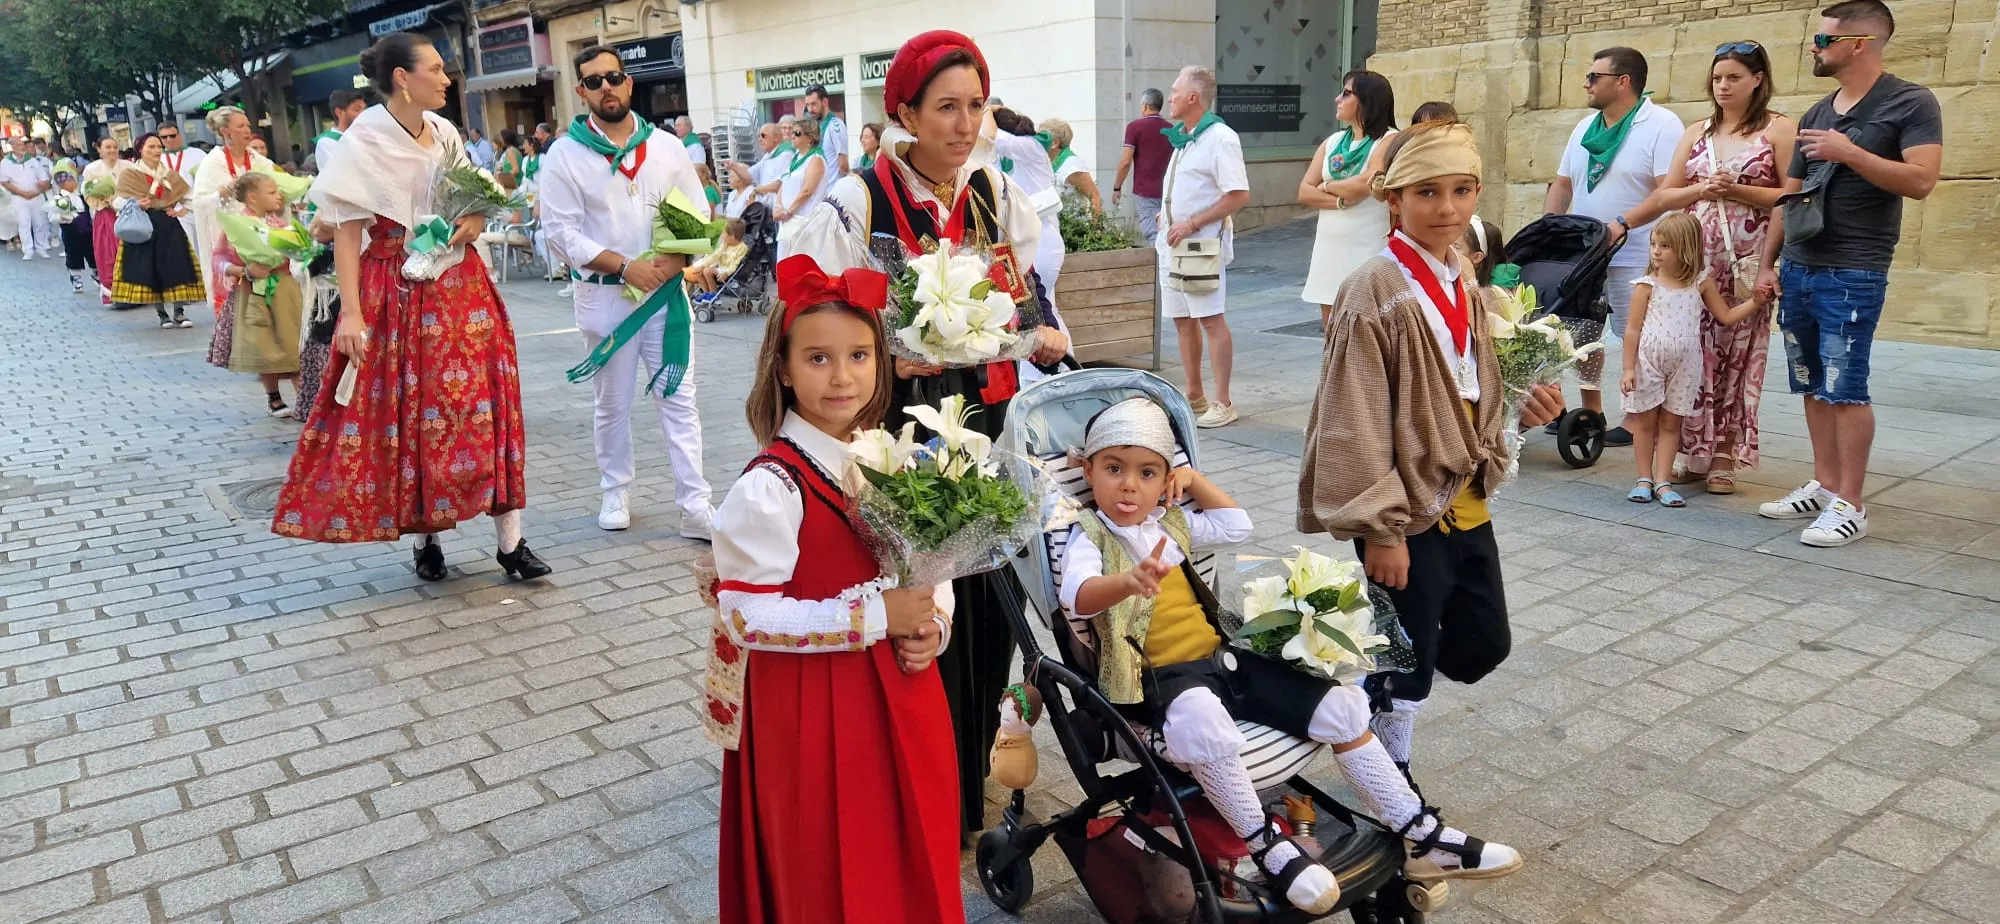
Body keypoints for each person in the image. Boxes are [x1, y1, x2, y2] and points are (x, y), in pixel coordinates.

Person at [1059, 397, 1523, 911]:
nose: (1129, 485)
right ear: (1088, 471)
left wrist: (1192, 481)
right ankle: (1267, 846)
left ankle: (1419, 832)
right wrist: (1126, 582)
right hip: (1159, 678)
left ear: (1165, 480)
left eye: (1147, 473)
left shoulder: (1171, 523)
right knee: (1200, 719)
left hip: (1222, 661)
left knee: (1338, 703)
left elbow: (1236, 524)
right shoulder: (1089, 535)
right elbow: (1077, 596)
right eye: (1114, 469)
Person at [781, 29, 1069, 838]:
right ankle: (909, 783)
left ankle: (967, 774)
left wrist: (1037, 334)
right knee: (913, 598)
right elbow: (817, 316)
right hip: (899, 423)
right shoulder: (858, 201)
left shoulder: (995, 193)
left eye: (975, 106)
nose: (965, 124)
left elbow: (1024, 295)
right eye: (946, 107)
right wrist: (885, 356)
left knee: (986, 599)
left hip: (985, 414)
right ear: (904, 113)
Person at [1299, 121, 1567, 787]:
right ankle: (1391, 773)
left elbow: (1472, 380)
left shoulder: (1462, 277)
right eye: (1426, 192)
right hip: (1403, 507)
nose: (1446, 208)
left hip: (1462, 492)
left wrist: (1520, 403)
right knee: (1410, 657)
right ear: (1393, 199)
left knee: (1484, 643)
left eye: (1461, 190)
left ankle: (1356, 698)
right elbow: (1354, 417)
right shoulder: (1373, 288)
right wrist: (1381, 530)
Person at [714, 253, 959, 924]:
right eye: (818, 359)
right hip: (813, 707)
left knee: (911, 845)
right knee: (826, 862)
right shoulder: (770, 487)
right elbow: (745, 617)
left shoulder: (890, 456)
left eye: (859, 355)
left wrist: (934, 621)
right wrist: (874, 617)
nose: (842, 376)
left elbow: (934, 561)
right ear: (783, 369)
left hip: (902, 688)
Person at [273, 31, 550, 584]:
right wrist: (352, 314)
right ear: (403, 77)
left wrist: (473, 220)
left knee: (487, 402)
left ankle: (511, 541)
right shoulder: (364, 139)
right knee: (415, 410)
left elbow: (474, 199)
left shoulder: (445, 131)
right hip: (397, 287)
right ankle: (427, 540)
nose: (446, 79)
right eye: (436, 69)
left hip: (461, 282)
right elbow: (346, 235)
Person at [1760, 0, 1941, 547]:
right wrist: (1767, 264)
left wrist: (1849, 152)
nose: (1813, 47)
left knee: (1846, 386)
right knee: (1811, 382)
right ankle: (1825, 484)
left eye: (1823, 40)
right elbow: (1790, 196)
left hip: (1855, 269)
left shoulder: (1910, 101)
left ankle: (1852, 504)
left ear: (1858, 43)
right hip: (1800, 266)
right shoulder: (1817, 112)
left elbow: (1922, 180)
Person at [539, 44, 717, 540]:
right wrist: (624, 266)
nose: (607, 88)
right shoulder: (565, 155)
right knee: (612, 402)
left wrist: (678, 259)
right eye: (594, 81)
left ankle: (695, 504)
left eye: (614, 77)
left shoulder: (664, 146)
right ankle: (615, 490)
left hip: (664, 294)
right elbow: (560, 233)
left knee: (678, 397)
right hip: (605, 297)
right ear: (581, 91)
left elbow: (696, 209)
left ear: (629, 82)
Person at [1616, 42, 1795, 496]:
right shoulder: (1698, 130)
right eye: (1717, 78)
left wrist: (1737, 191)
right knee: (1693, 351)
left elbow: (1791, 197)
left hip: (1746, 260)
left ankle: (1723, 455)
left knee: (1737, 353)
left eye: (1734, 77)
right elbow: (1667, 195)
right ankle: (1691, 450)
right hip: (1694, 259)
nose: (1723, 86)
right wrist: (1703, 189)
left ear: (1758, 79)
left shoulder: (1778, 129)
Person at [1544, 46, 1685, 448]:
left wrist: (1623, 224)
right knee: (1583, 334)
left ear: (1623, 82)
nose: (1585, 83)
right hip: (1586, 254)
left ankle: (1638, 417)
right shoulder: (1584, 127)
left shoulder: (1660, 124)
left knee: (1635, 336)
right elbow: (1563, 184)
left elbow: (1668, 191)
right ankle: (1593, 411)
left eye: (1594, 77)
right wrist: (1550, 225)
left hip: (1636, 251)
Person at [1620, 213, 1770, 506]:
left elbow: (1725, 316)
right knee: (1644, 422)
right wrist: (1628, 368)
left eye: (1665, 246)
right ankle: (1643, 478)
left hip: (1685, 364)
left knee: (1671, 423)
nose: (1656, 251)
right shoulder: (1646, 286)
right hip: (1648, 362)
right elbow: (1632, 329)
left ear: (1686, 249)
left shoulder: (1700, 283)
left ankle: (1663, 480)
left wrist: (1755, 302)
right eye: (1654, 244)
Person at [1159, 66, 1250, 428]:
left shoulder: (1220, 138)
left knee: (1210, 319)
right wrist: (1168, 216)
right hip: (1172, 242)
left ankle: (1223, 401)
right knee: (1182, 319)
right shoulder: (1186, 137)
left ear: (1193, 97)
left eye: (1175, 91)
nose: (1170, 97)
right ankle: (1194, 394)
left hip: (1199, 244)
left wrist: (1192, 222)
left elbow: (1238, 195)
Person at [1300, 70, 1398, 328]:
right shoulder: (1332, 142)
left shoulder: (1389, 139)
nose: (1337, 99)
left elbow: (1365, 184)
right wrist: (1340, 201)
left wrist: (1326, 185)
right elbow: (1304, 191)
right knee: (1331, 326)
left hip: (1367, 245)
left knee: (1366, 323)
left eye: (1346, 94)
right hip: (1329, 246)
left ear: (1367, 100)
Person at [209, 172, 305, 418]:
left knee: (293, 342)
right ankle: (274, 396)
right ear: (253, 197)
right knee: (264, 343)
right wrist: (244, 271)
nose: (278, 196)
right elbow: (219, 260)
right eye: (271, 192)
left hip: (285, 289)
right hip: (253, 292)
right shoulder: (237, 226)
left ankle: (305, 399)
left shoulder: (280, 224)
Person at [110, 133, 207, 328]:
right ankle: (162, 314)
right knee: (149, 268)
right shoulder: (131, 174)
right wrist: (136, 204)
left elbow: (190, 197)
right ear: (140, 150)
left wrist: (181, 211)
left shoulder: (169, 175)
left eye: (158, 147)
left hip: (168, 225)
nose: (156, 150)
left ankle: (179, 312)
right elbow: (117, 201)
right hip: (143, 226)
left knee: (176, 265)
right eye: (151, 147)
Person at [189, 107, 277, 314]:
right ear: (224, 131)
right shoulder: (212, 164)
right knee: (234, 304)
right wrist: (223, 193)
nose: (247, 130)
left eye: (247, 125)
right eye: (240, 126)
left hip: (261, 234)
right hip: (227, 238)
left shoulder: (260, 162)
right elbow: (200, 203)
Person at [1115, 87, 1173, 244]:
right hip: (1169, 190)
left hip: (1145, 191)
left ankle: (1159, 260)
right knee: (1168, 231)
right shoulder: (1171, 130)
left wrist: (1117, 188)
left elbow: (1125, 162)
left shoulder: (1134, 127)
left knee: (1153, 233)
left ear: (1145, 106)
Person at [82, 136, 124, 305]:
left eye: (114, 147)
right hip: (105, 213)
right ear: (99, 149)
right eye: (108, 147)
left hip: (127, 212)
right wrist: (107, 201)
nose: (112, 150)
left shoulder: (128, 166)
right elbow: (88, 193)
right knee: (108, 252)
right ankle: (113, 292)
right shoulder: (92, 169)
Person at [768, 116, 828, 233]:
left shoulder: (816, 159)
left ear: (810, 138)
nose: (792, 136)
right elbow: (784, 183)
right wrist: (778, 207)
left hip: (806, 222)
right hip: (789, 221)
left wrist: (788, 212)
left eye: (797, 133)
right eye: (792, 132)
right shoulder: (796, 158)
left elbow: (807, 191)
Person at [1, 137, 55, 260]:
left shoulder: (32, 161)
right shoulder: (6, 163)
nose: (22, 147)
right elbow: (4, 182)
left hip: (36, 196)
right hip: (18, 198)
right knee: (24, 223)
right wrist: (22, 193)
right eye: (19, 145)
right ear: (12, 147)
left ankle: (41, 248)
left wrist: (40, 187)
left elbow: (44, 178)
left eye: (22, 144)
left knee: (40, 222)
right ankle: (28, 250)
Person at [50, 163, 95, 293]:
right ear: (61, 184)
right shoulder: (59, 198)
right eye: (70, 180)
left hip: (87, 229)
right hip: (71, 231)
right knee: (73, 254)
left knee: (92, 252)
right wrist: (63, 217)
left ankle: (96, 273)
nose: (74, 183)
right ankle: (76, 278)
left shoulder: (81, 196)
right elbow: (52, 217)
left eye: (74, 180)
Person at [1040, 117, 1100, 212]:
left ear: (1054, 143)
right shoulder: (1048, 162)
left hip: (1071, 220)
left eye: (1042, 139)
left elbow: (1094, 197)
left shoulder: (1071, 166)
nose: (1037, 143)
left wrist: (1096, 221)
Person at [689, 218, 750, 297]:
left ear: (732, 236)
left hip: (728, 271)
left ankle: (713, 295)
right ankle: (706, 293)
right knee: (698, 271)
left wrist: (727, 273)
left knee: (707, 271)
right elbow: (715, 256)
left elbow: (735, 265)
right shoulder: (725, 245)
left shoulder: (742, 248)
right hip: (720, 268)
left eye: (724, 234)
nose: (722, 236)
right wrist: (703, 265)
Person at [316, 90, 369, 170]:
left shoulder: (365, 136)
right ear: (339, 112)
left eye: (364, 109)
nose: (363, 114)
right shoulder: (327, 143)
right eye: (357, 110)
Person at [803, 84, 847, 176]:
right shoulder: (813, 126)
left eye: (814, 104)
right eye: (808, 105)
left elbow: (843, 165)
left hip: (831, 184)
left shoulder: (835, 125)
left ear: (825, 102)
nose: (810, 109)